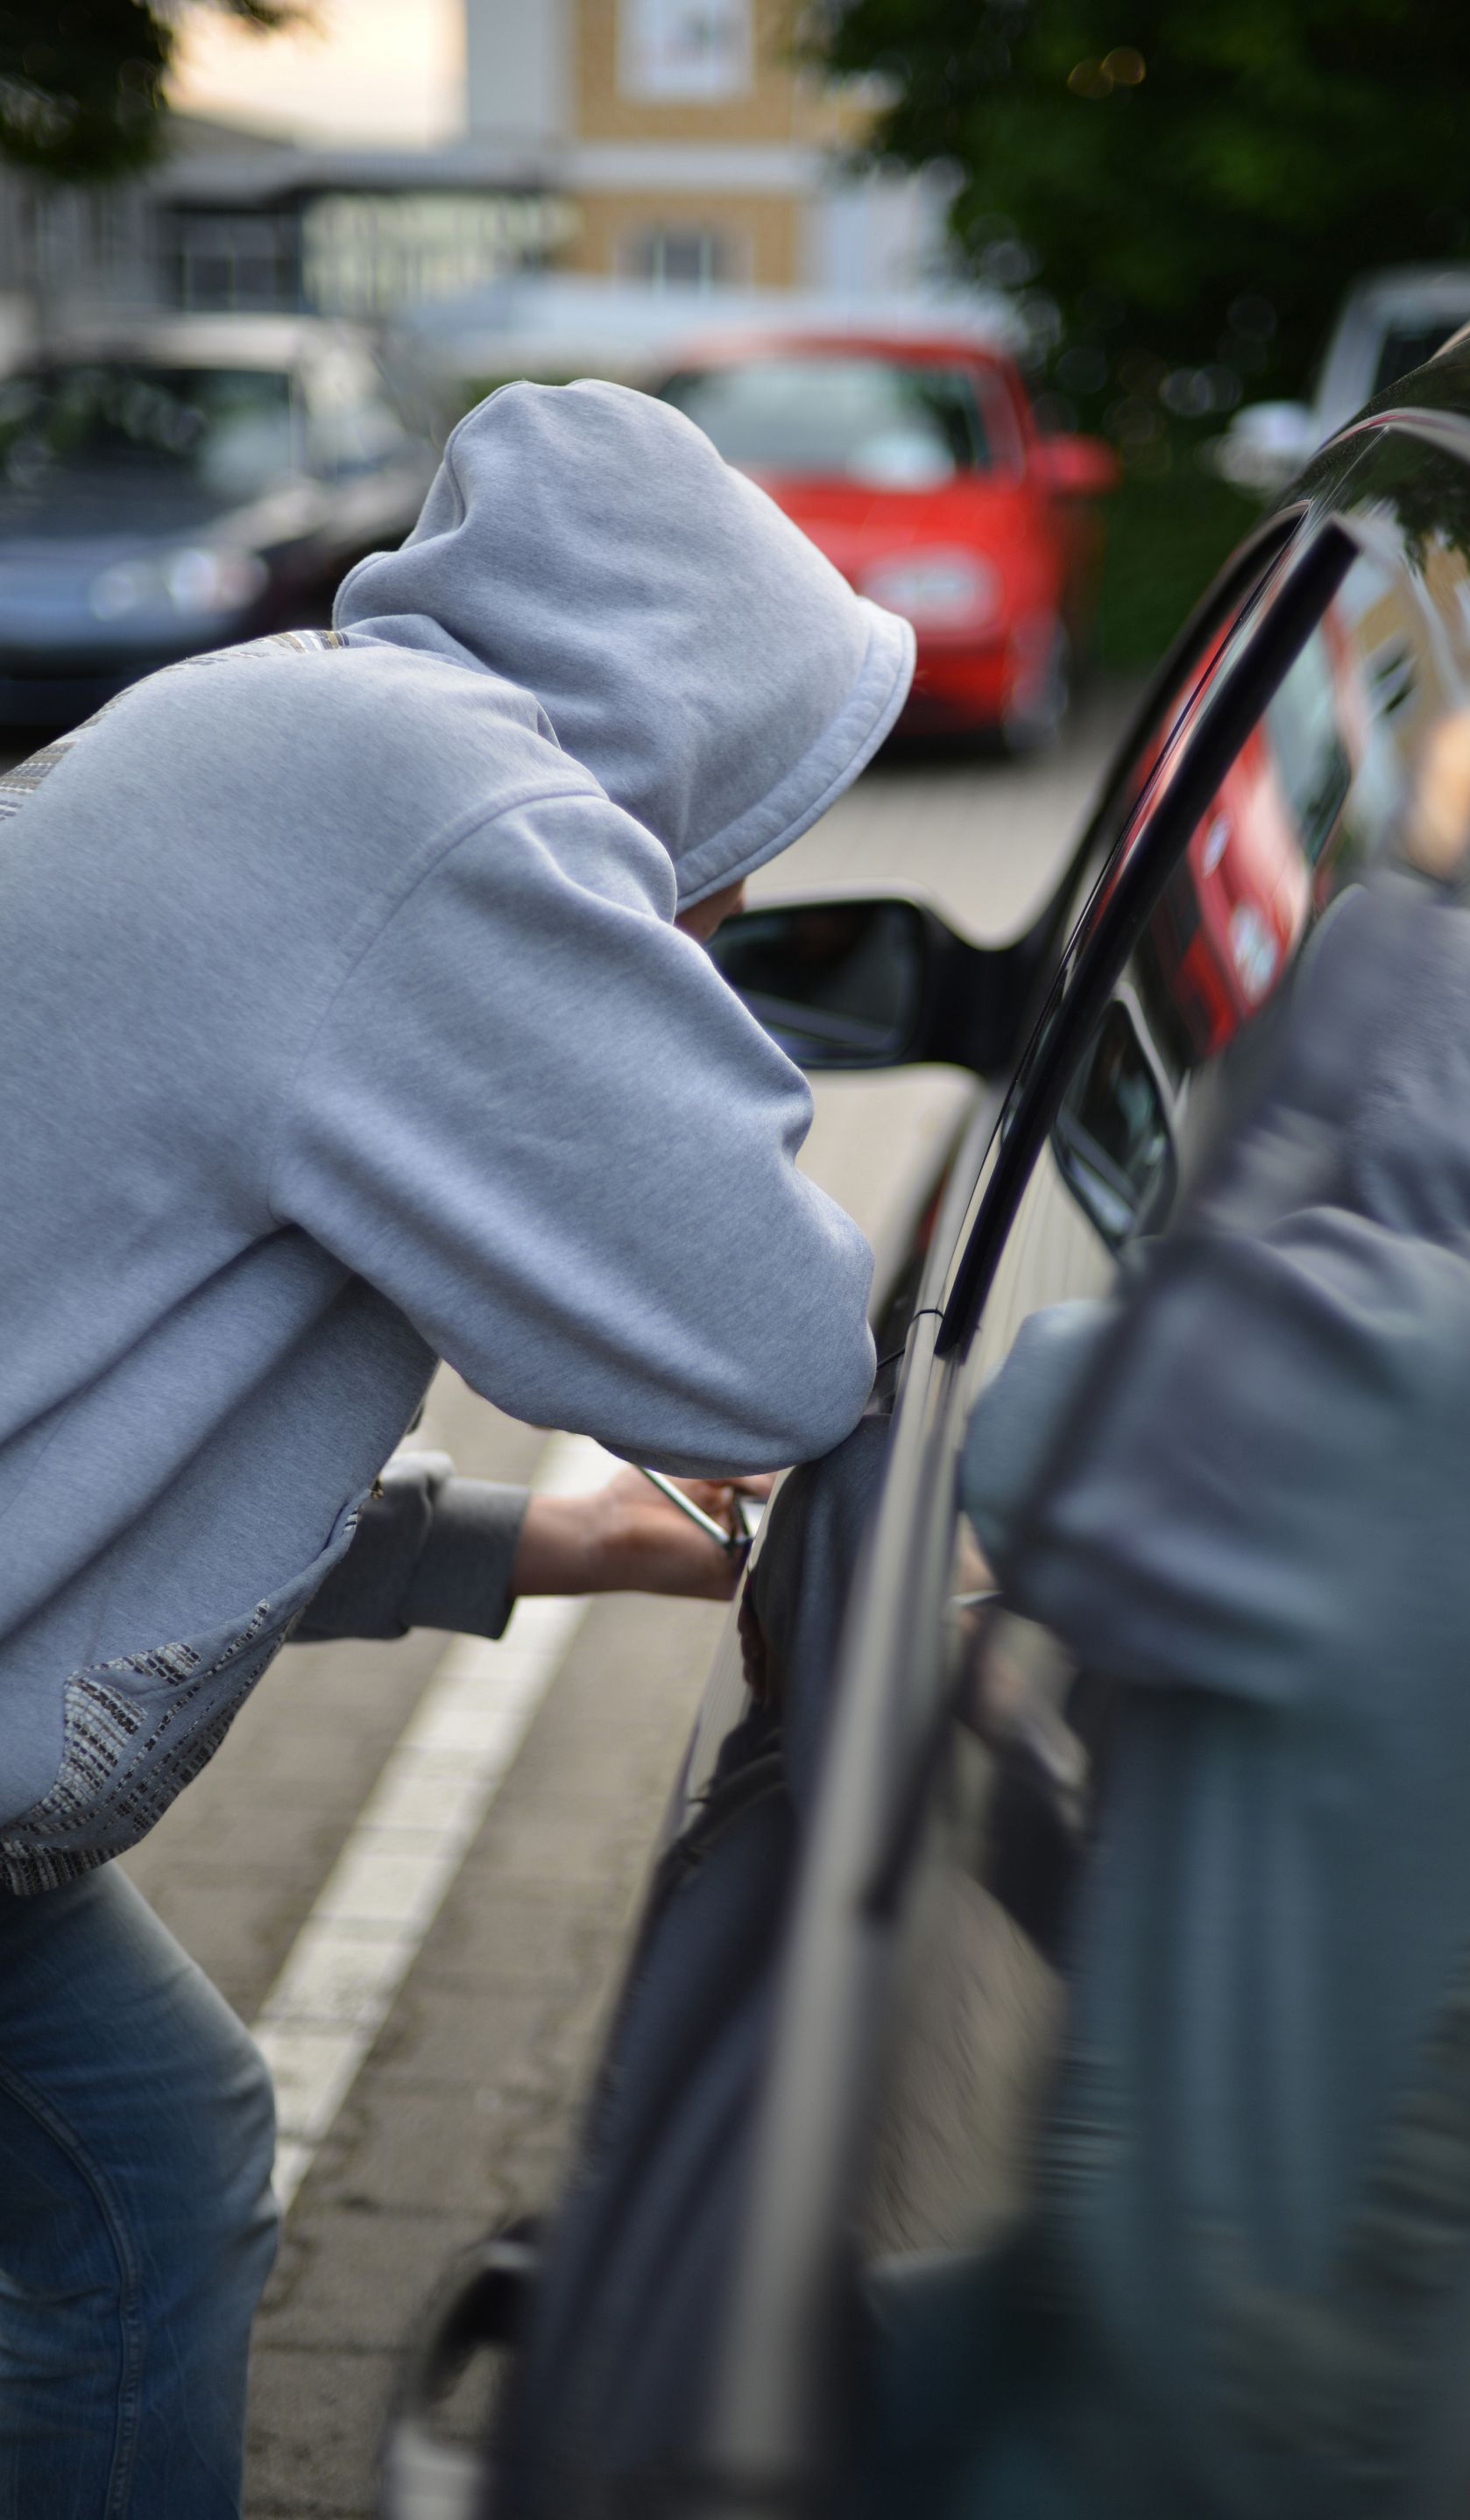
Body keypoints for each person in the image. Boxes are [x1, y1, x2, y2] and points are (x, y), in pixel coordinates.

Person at [0, 378, 913, 2517]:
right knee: (135, 2196)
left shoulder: (292, 731)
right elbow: (770, 1342)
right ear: (678, 696)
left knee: (156, 2145)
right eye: (761, 807)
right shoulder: (443, 821)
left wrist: (534, 1542)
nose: (744, 884)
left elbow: (105, 1431)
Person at [872, 879, 1470, 2518]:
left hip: (1220, 2403)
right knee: (793, 2390)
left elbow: (1035, 1430)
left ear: (1374, 1086)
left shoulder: (1430, 1362)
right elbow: (1240, 1889)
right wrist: (1009, 1767)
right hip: (1211, 2318)